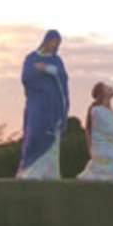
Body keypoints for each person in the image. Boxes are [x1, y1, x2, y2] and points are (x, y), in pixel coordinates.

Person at [17, 29, 70, 179]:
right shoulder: (31, 58)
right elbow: (26, 76)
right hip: (36, 103)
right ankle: (28, 170)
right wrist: (39, 71)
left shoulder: (56, 60)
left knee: (51, 134)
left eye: (57, 43)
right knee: (33, 133)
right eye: (53, 42)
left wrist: (47, 69)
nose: (55, 45)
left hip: (52, 105)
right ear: (46, 41)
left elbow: (63, 77)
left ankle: (48, 172)